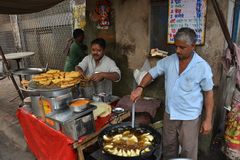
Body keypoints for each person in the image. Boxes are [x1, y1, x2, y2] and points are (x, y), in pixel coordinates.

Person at [130, 27, 214, 160]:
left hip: (189, 118)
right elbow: (152, 73)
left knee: (188, 152)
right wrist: (140, 87)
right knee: (168, 148)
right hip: (169, 114)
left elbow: (208, 94)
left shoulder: (202, 67)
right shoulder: (169, 61)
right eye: (176, 46)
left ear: (193, 46)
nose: (177, 50)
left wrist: (208, 120)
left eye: (182, 47)